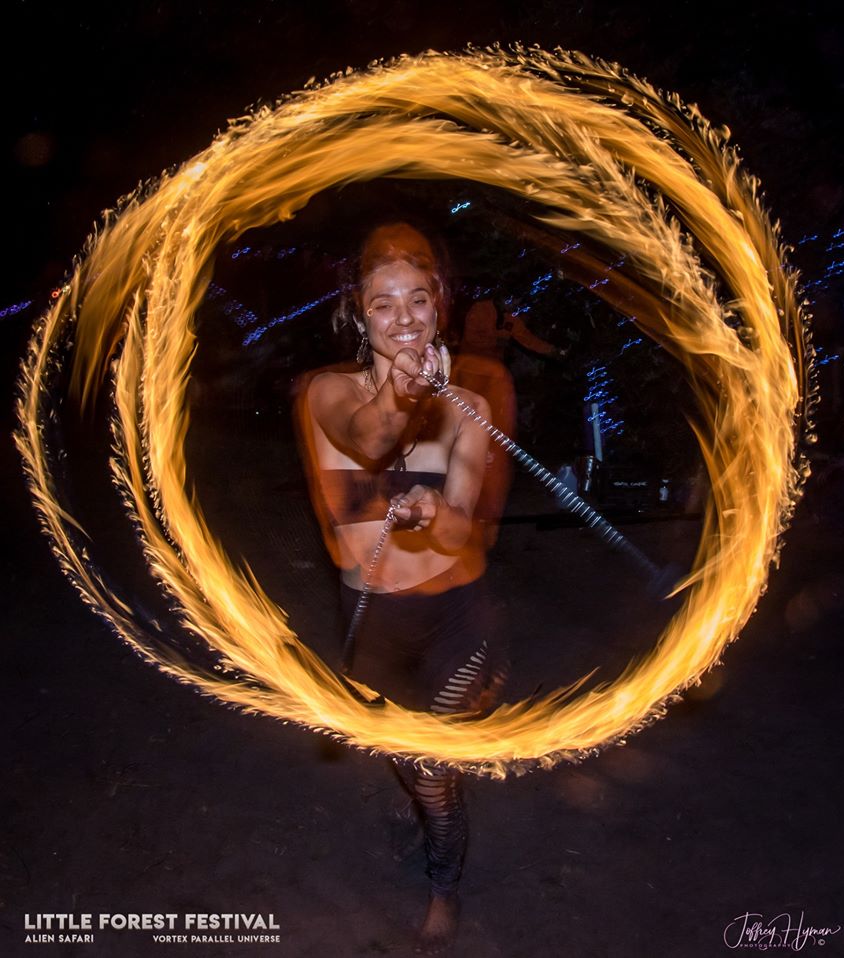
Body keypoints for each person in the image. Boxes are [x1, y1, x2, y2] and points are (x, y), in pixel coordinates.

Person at [297, 223, 505, 952]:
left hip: (454, 615)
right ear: (358, 312)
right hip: (371, 619)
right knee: (401, 755)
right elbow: (372, 435)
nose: (404, 318)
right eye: (382, 304)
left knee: (428, 773)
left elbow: (462, 538)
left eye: (418, 299)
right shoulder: (326, 393)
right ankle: (432, 791)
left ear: (439, 305)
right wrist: (399, 395)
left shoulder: (468, 410)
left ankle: (442, 886)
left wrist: (438, 513)